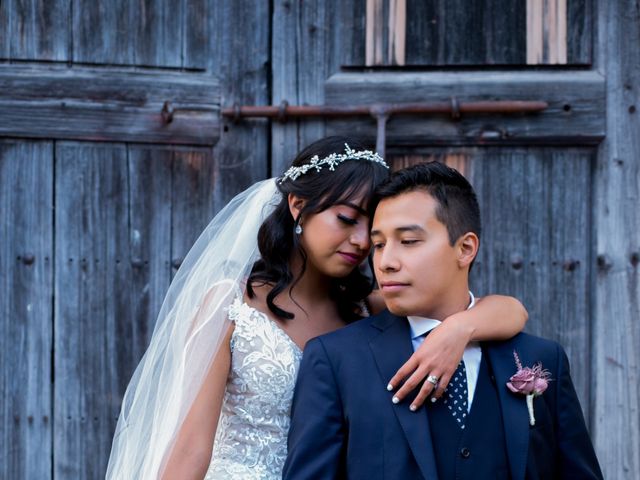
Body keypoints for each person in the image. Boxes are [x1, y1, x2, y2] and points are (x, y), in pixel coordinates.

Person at [106, 137, 527, 480]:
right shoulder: (229, 303)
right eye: (347, 219)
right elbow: (190, 449)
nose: (362, 242)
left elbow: (512, 311)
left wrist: (460, 329)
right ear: (298, 208)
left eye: (372, 229)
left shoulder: (368, 309)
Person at [283, 161, 603, 480]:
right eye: (379, 245)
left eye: (408, 241)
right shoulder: (337, 360)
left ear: (465, 249)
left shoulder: (543, 358)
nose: (386, 262)